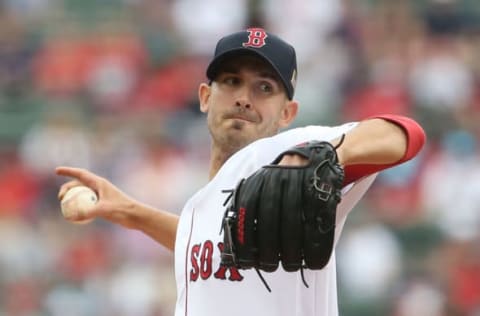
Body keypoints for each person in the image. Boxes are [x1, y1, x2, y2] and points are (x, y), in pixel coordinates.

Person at [56, 28, 426, 316]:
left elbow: (403, 135)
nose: (244, 97)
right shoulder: (201, 205)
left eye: (264, 87)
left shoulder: (290, 148)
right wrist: (129, 212)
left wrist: (321, 157)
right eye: (231, 81)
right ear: (205, 97)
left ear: (287, 114)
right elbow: (204, 242)